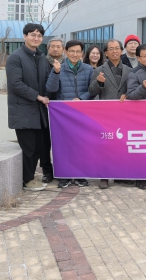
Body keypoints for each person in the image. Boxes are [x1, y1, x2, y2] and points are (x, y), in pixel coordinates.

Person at [6, 23, 50, 191]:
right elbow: (16, 84)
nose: (36, 38)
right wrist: (38, 96)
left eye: (39, 36)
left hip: (39, 111)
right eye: (32, 35)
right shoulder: (15, 58)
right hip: (23, 110)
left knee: (38, 147)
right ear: (25, 36)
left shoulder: (41, 57)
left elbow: (46, 80)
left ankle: (29, 177)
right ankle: (27, 180)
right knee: (28, 147)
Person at [46, 39, 93, 189]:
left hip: (82, 112)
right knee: (64, 145)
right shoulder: (59, 67)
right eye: (71, 51)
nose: (74, 54)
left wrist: (81, 99)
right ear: (66, 52)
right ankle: (64, 175)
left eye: (78, 51)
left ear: (82, 53)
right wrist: (56, 72)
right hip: (63, 114)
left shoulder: (88, 69)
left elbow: (92, 90)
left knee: (81, 144)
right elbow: (51, 89)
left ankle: (80, 175)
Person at [89, 39, 132, 189]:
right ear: (106, 53)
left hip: (124, 114)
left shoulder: (129, 70)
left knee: (121, 144)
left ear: (121, 51)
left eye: (117, 48)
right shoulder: (99, 70)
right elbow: (91, 91)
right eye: (111, 49)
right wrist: (99, 82)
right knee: (105, 145)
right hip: (106, 115)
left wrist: (128, 95)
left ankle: (120, 175)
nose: (114, 51)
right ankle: (104, 176)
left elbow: (132, 89)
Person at [124, 44, 146, 190]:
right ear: (138, 58)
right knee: (142, 147)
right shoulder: (134, 73)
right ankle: (140, 177)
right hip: (142, 117)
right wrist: (143, 87)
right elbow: (131, 95)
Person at [40, 37, 64, 183]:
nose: (55, 49)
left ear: (63, 49)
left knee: (61, 141)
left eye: (58, 46)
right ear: (48, 48)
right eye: (53, 46)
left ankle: (61, 169)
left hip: (62, 108)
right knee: (45, 141)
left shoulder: (67, 63)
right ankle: (47, 171)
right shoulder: (41, 62)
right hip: (45, 105)